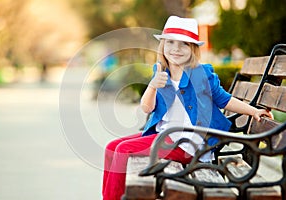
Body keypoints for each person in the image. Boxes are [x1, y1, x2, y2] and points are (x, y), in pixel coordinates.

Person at [102, 16, 273, 200]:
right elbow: (146, 108)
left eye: (184, 44)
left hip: (187, 143)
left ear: (192, 50)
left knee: (123, 150)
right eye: (171, 42)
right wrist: (152, 86)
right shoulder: (161, 72)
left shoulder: (201, 74)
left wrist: (254, 111)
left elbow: (224, 100)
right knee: (111, 147)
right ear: (163, 46)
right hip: (167, 136)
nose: (176, 49)